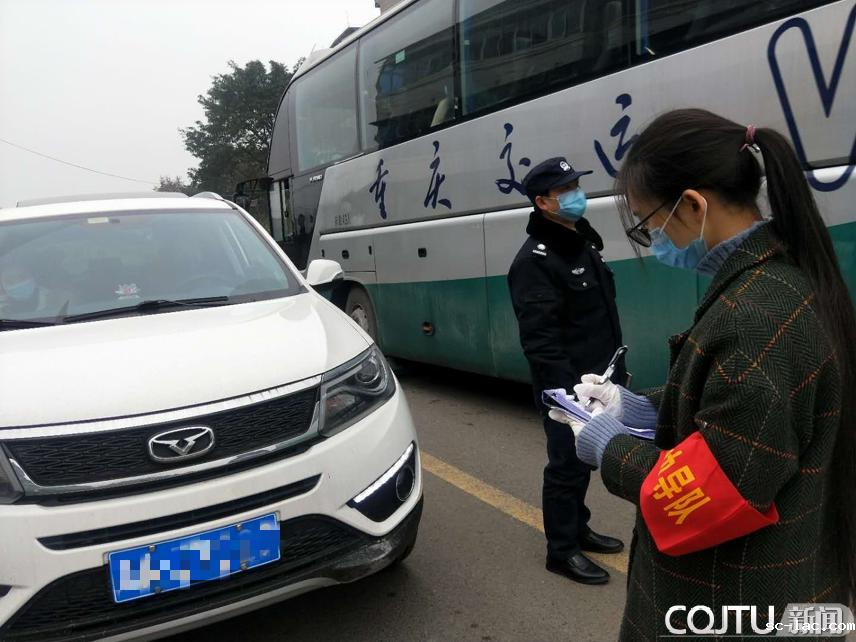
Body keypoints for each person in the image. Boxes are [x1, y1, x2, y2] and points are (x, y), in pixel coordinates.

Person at [568, 109, 855, 638]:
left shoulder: (753, 318)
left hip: (733, 600)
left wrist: (608, 446)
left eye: (648, 224)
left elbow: (717, 489)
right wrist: (641, 407)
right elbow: (737, 401)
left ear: (693, 205)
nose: (652, 240)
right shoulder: (779, 278)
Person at [507, 156, 627, 585]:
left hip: (597, 382)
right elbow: (541, 342)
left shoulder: (578, 241)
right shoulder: (534, 261)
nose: (578, 195)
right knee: (565, 465)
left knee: (583, 463)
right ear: (542, 202)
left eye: (577, 185)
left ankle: (579, 528)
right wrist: (570, 401)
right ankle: (561, 551)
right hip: (569, 392)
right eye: (567, 190)